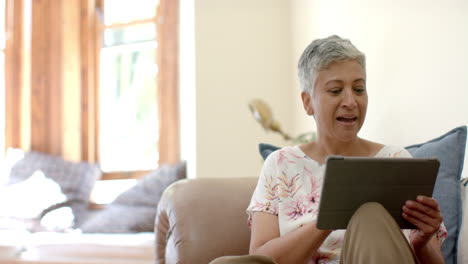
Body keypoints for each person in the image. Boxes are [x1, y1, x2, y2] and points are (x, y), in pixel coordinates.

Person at [210, 35, 447, 264]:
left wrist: (421, 243)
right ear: (307, 102)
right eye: (335, 91)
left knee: (370, 216)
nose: (350, 102)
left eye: (359, 89)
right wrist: (329, 217)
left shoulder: (397, 160)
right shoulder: (280, 164)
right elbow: (261, 259)